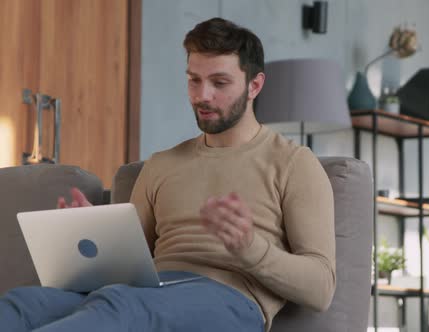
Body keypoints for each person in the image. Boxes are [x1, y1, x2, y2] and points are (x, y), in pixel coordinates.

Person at [0, 17, 335, 332]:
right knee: (23, 304)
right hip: (153, 291)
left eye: (219, 82)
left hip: (232, 301)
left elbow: (321, 289)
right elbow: (130, 267)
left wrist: (252, 248)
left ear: (254, 85)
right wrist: (91, 238)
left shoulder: (294, 163)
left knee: (121, 306)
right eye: (194, 80)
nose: (202, 96)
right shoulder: (163, 164)